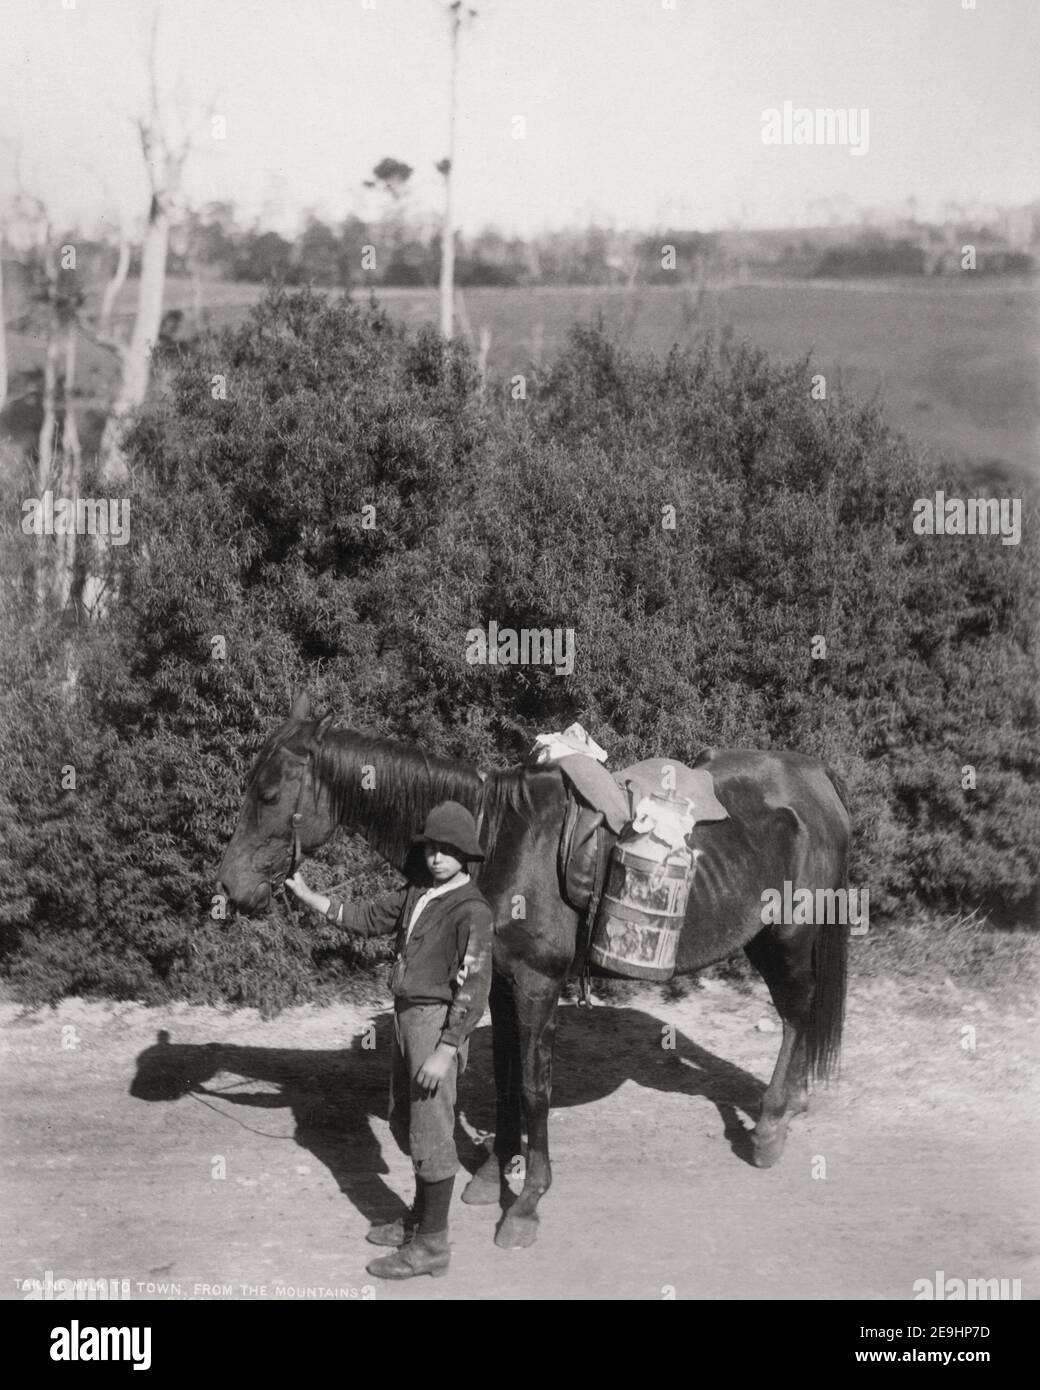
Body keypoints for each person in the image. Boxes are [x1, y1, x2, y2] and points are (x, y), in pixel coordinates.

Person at [286, 800, 493, 1280]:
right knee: (408, 1121)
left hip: (435, 1024)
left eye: (448, 850)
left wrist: (446, 1050)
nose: (436, 857)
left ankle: (433, 1248)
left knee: (433, 1128)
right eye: (431, 849)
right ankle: (419, 1221)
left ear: (467, 853)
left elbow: (475, 986)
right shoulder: (419, 891)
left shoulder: (473, 911)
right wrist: (311, 896)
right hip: (404, 1020)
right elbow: (366, 915)